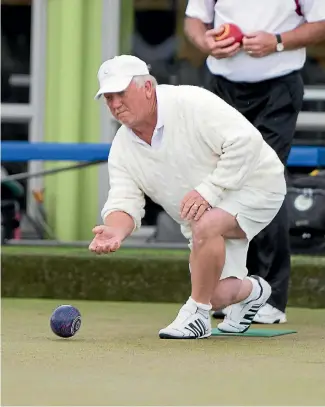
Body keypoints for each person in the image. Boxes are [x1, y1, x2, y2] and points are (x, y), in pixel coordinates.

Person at [89, 54, 286, 339]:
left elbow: (246, 142)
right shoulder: (122, 147)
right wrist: (116, 231)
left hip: (257, 183)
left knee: (205, 228)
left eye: (120, 93)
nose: (115, 104)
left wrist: (209, 191)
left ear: (147, 88)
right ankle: (254, 292)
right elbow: (124, 199)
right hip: (204, 214)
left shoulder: (191, 102)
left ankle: (197, 315)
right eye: (108, 98)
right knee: (215, 294)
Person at [184, 0, 325, 324]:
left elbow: (321, 23)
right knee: (219, 183)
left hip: (278, 89)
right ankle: (224, 289)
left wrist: (277, 41)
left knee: (264, 182)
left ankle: (271, 296)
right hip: (221, 88)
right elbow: (194, 20)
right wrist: (206, 42)